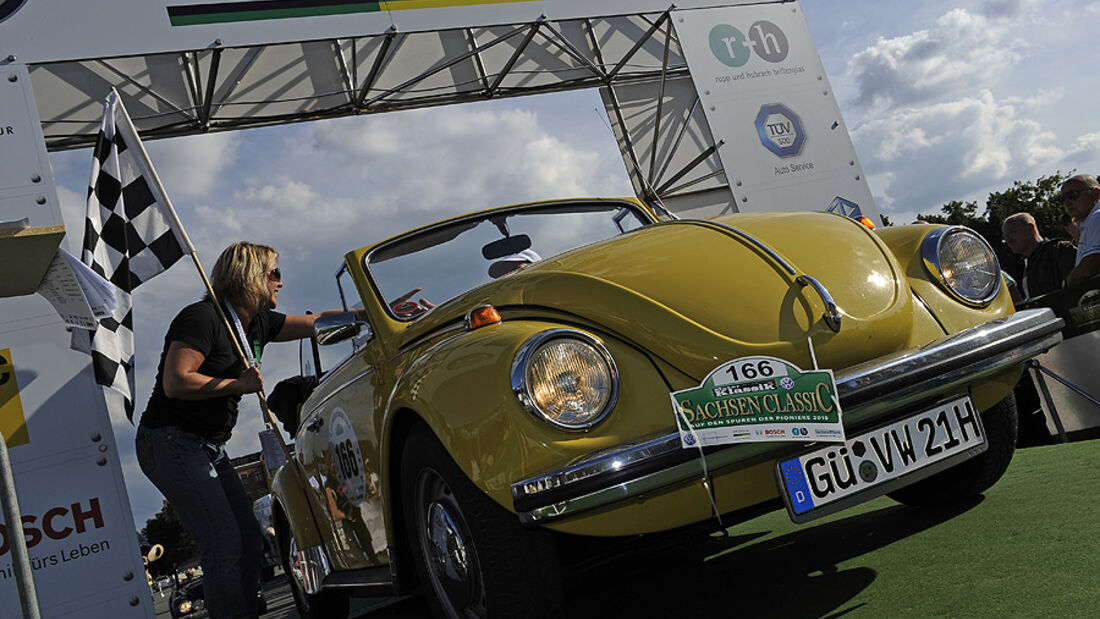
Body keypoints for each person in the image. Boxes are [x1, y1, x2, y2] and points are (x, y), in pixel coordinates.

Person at [134, 241, 348, 619]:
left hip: (207, 447)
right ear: (250, 277)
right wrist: (238, 384)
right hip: (169, 440)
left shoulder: (258, 322)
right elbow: (176, 381)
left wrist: (380, 312)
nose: (280, 283)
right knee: (223, 542)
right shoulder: (203, 318)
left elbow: (316, 323)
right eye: (274, 274)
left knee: (249, 541)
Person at [1001, 212, 1077, 300]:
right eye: (1005, 237)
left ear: (1030, 228)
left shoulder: (1059, 249)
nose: (1008, 240)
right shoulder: (1028, 263)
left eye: (1012, 233)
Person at [1063, 174, 1100, 286]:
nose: (1067, 203)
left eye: (1072, 195)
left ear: (1096, 193)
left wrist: (1068, 283)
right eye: (1062, 199)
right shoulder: (1089, 222)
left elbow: (1090, 266)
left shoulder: (1097, 217)